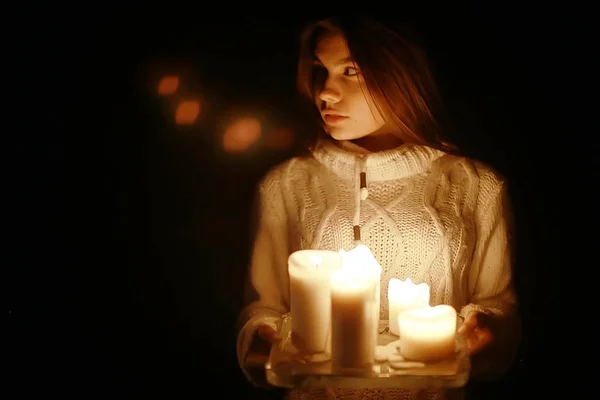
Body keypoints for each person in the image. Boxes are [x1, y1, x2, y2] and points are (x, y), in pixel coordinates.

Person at [236, 15, 520, 400]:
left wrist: (487, 333)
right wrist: (263, 341)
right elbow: (263, 308)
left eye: (350, 70)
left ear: (400, 73)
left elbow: (496, 304)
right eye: (320, 70)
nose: (326, 92)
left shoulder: (474, 186)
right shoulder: (286, 185)